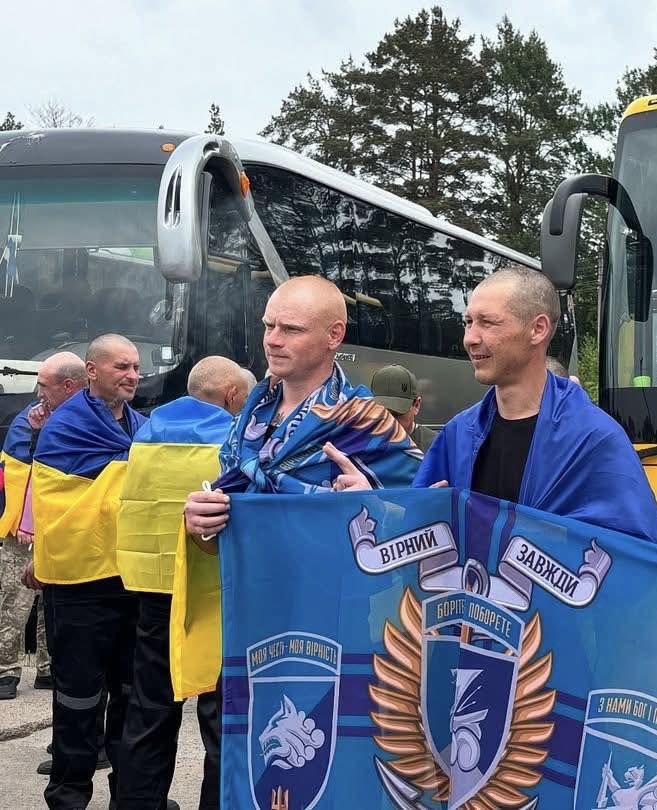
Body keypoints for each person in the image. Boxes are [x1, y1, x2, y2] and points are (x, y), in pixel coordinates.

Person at [412, 266, 657, 540]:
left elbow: (632, 554)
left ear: (538, 329)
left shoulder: (594, 439)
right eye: (468, 322)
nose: (470, 338)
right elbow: (416, 526)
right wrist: (405, 513)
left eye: (487, 322)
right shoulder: (457, 434)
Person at [184, 274, 421, 549]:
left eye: (291, 329)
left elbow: (427, 522)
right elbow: (218, 543)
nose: (273, 340)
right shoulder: (247, 419)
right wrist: (200, 524)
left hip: (329, 576)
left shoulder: (365, 422)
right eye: (268, 326)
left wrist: (377, 507)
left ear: (334, 335)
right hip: (250, 576)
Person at [116, 356, 249, 810]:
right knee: (220, 720)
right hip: (215, 595)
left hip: (154, 591)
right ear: (232, 395)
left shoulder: (145, 434)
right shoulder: (233, 439)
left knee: (148, 711)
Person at [32, 334, 147, 810]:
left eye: (136, 367)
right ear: (92, 371)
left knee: (131, 697)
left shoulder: (144, 426)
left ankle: (131, 796)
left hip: (132, 581)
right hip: (79, 586)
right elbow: (57, 501)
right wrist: (135, 469)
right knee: (78, 699)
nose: (133, 375)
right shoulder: (65, 427)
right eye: (122, 366)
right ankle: (68, 797)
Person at [0, 352, 87, 700]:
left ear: (69, 386)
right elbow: (23, 473)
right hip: (23, 528)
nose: (37, 393)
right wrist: (26, 521)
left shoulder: (88, 418)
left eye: (43, 386)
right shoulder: (29, 420)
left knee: (54, 600)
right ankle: (6, 670)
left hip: (64, 527)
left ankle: (48, 666)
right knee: (14, 599)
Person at [370, 364, 436, 453]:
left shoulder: (435, 447)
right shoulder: (361, 440)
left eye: (396, 414)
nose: (389, 422)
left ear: (416, 405)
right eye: (382, 414)